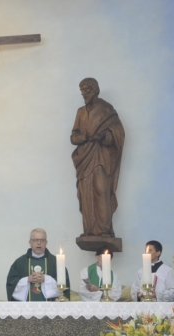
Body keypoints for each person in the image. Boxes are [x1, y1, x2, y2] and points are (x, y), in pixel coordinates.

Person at [70, 77, 125, 238]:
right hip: (84, 158)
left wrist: (105, 136)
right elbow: (74, 136)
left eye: (86, 91)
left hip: (101, 157)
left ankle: (104, 229)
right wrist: (82, 138)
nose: (84, 95)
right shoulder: (81, 112)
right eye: (82, 92)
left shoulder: (106, 109)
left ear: (95, 91)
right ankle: (89, 229)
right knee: (86, 192)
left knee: (101, 189)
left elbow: (118, 131)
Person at [6, 228, 70, 301]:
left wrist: (46, 279)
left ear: (46, 242)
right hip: (26, 310)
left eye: (42, 240)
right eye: (35, 240)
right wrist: (27, 280)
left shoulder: (56, 262)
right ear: (30, 242)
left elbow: (64, 286)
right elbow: (11, 285)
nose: (39, 243)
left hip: (50, 309)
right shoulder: (20, 262)